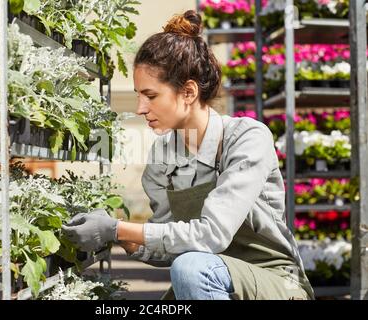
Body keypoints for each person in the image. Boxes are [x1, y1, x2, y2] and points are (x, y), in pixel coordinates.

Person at [62, 10, 314, 300]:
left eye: (151, 95)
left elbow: (210, 236)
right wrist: (114, 235)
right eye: (138, 95)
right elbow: (166, 242)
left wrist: (118, 228)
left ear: (189, 92)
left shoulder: (247, 138)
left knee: (191, 268)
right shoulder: (164, 153)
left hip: (275, 281)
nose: (141, 108)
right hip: (210, 280)